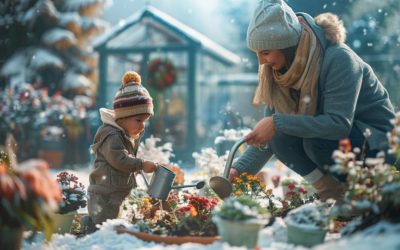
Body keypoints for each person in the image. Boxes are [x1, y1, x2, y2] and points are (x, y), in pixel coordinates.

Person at [229, 0, 396, 202]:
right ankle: (333, 193)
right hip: (340, 143)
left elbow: (338, 125)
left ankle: (361, 196)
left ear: (286, 45)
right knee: (281, 137)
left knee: (314, 140)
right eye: (257, 54)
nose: (261, 62)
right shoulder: (283, 71)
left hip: (377, 142)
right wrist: (236, 171)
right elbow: (270, 136)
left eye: (265, 52)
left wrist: (276, 123)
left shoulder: (339, 59)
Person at [80, 71, 158, 233]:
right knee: (105, 225)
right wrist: (141, 164)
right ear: (122, 117)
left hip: (114, 190)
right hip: (106, 192)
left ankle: (90, 225)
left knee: (109, 221)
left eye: (145, 122)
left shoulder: (123, 133)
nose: (142, 126)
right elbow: (119, 159)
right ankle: (93, 232)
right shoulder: (112, 135)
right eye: (139, 120)